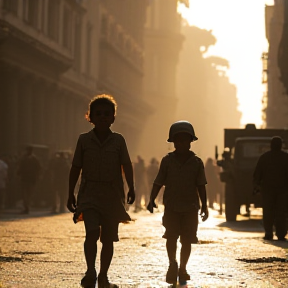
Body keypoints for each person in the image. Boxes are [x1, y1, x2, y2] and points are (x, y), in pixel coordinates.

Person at [66, 94, 135, 288]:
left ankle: (104, 274)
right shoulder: (84, 140)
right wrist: (70, 192)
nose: (103, 117)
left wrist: (131, 186)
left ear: (113, 117)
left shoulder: (119, 141)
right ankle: (90, 270)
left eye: (107, 114)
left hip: (112, 195)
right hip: (89, 193)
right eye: (98, 114)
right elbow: (75, 167)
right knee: (91, 232)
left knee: (108, 238)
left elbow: (126, 164)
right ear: (91, 117)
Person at [147, 120, 209, 285]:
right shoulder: (167, 161)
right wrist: (151, 199)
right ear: (173, 142)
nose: (181, 143)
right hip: (172, 207)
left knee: (187, 239)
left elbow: (201, 185)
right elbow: (158, 181)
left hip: (190, 207)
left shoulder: (197, 163)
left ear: (190, 141)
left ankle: (182, 267)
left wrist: (205, 205)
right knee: (171, 237)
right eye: (178, 140)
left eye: (184, 139)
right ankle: (172, 263)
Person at [253, 136, 288, 241]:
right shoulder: (286, 157)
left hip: (268, 191)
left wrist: (256, 187)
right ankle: (281, 233)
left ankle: (269, 233)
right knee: (281, 212)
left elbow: (257, 174)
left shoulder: (264, 157)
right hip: (283, 191)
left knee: (268, 212)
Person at [17, 146, 41, 214]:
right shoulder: (34, 159)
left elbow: (20, 168)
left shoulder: (25, 158)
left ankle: (26, 207)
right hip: (27, 179)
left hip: (28, 179)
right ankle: (26, 206)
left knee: (27, 194)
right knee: (27, 194)